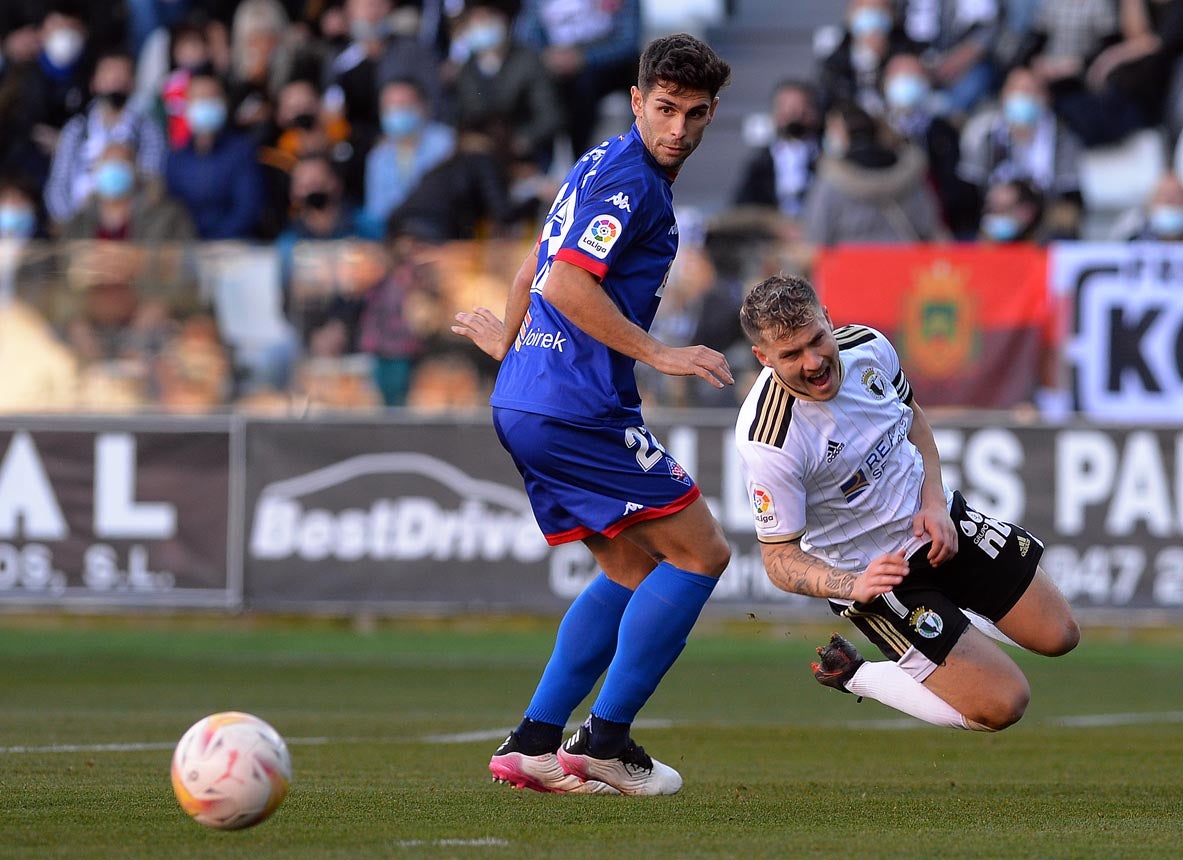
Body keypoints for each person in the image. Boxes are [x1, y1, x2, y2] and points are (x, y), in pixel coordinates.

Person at [451, 33, 733, 796]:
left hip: (525, 397)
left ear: (711, 116)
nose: (676, 128)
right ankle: (603, 741)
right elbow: (569, 282)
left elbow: (530, 267)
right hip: (577, 404)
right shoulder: (633, 181)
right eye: (664, 109)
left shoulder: (595, 162)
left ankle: (533, 743)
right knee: (702, 555)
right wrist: (662, 353)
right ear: (637, 101)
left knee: (631, 565)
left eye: (694, 114)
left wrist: (509, 347)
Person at [734, 274, 1079, 733]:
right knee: (1004, 704)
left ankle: (956, 628)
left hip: (940, 525)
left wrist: (935, 502)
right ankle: (855, 674)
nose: (815, 362)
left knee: (1061, 635)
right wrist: (853, 585)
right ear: (763, 358)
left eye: (817, 340)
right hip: (881, 578)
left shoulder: (870, 347)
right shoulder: (769, 439)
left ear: (828, 320)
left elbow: (914, 421)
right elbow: (778, 559)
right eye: (792, 355)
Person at [44, 49, 168, 225]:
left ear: (132, 82)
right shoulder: (76, 129)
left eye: (122, 74)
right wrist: (72, 225)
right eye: (109, 73)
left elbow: (152, 182)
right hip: (77, 227)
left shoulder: (147, 130)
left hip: (130, 227)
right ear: (94, 83)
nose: (116, 80)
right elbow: (58, 184)